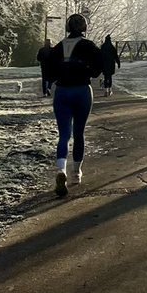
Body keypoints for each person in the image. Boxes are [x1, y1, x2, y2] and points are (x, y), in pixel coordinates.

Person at [43, 14, 103, 198]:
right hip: (82, 91)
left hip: (62, 91)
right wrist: (88, 71)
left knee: (63, 135)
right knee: (79, 133)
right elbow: (98, 67)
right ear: (84, 27)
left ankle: (61, 169)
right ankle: (76, 173)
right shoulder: (89, 46)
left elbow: (48, 69)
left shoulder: (59, 46)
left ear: (68, 28)